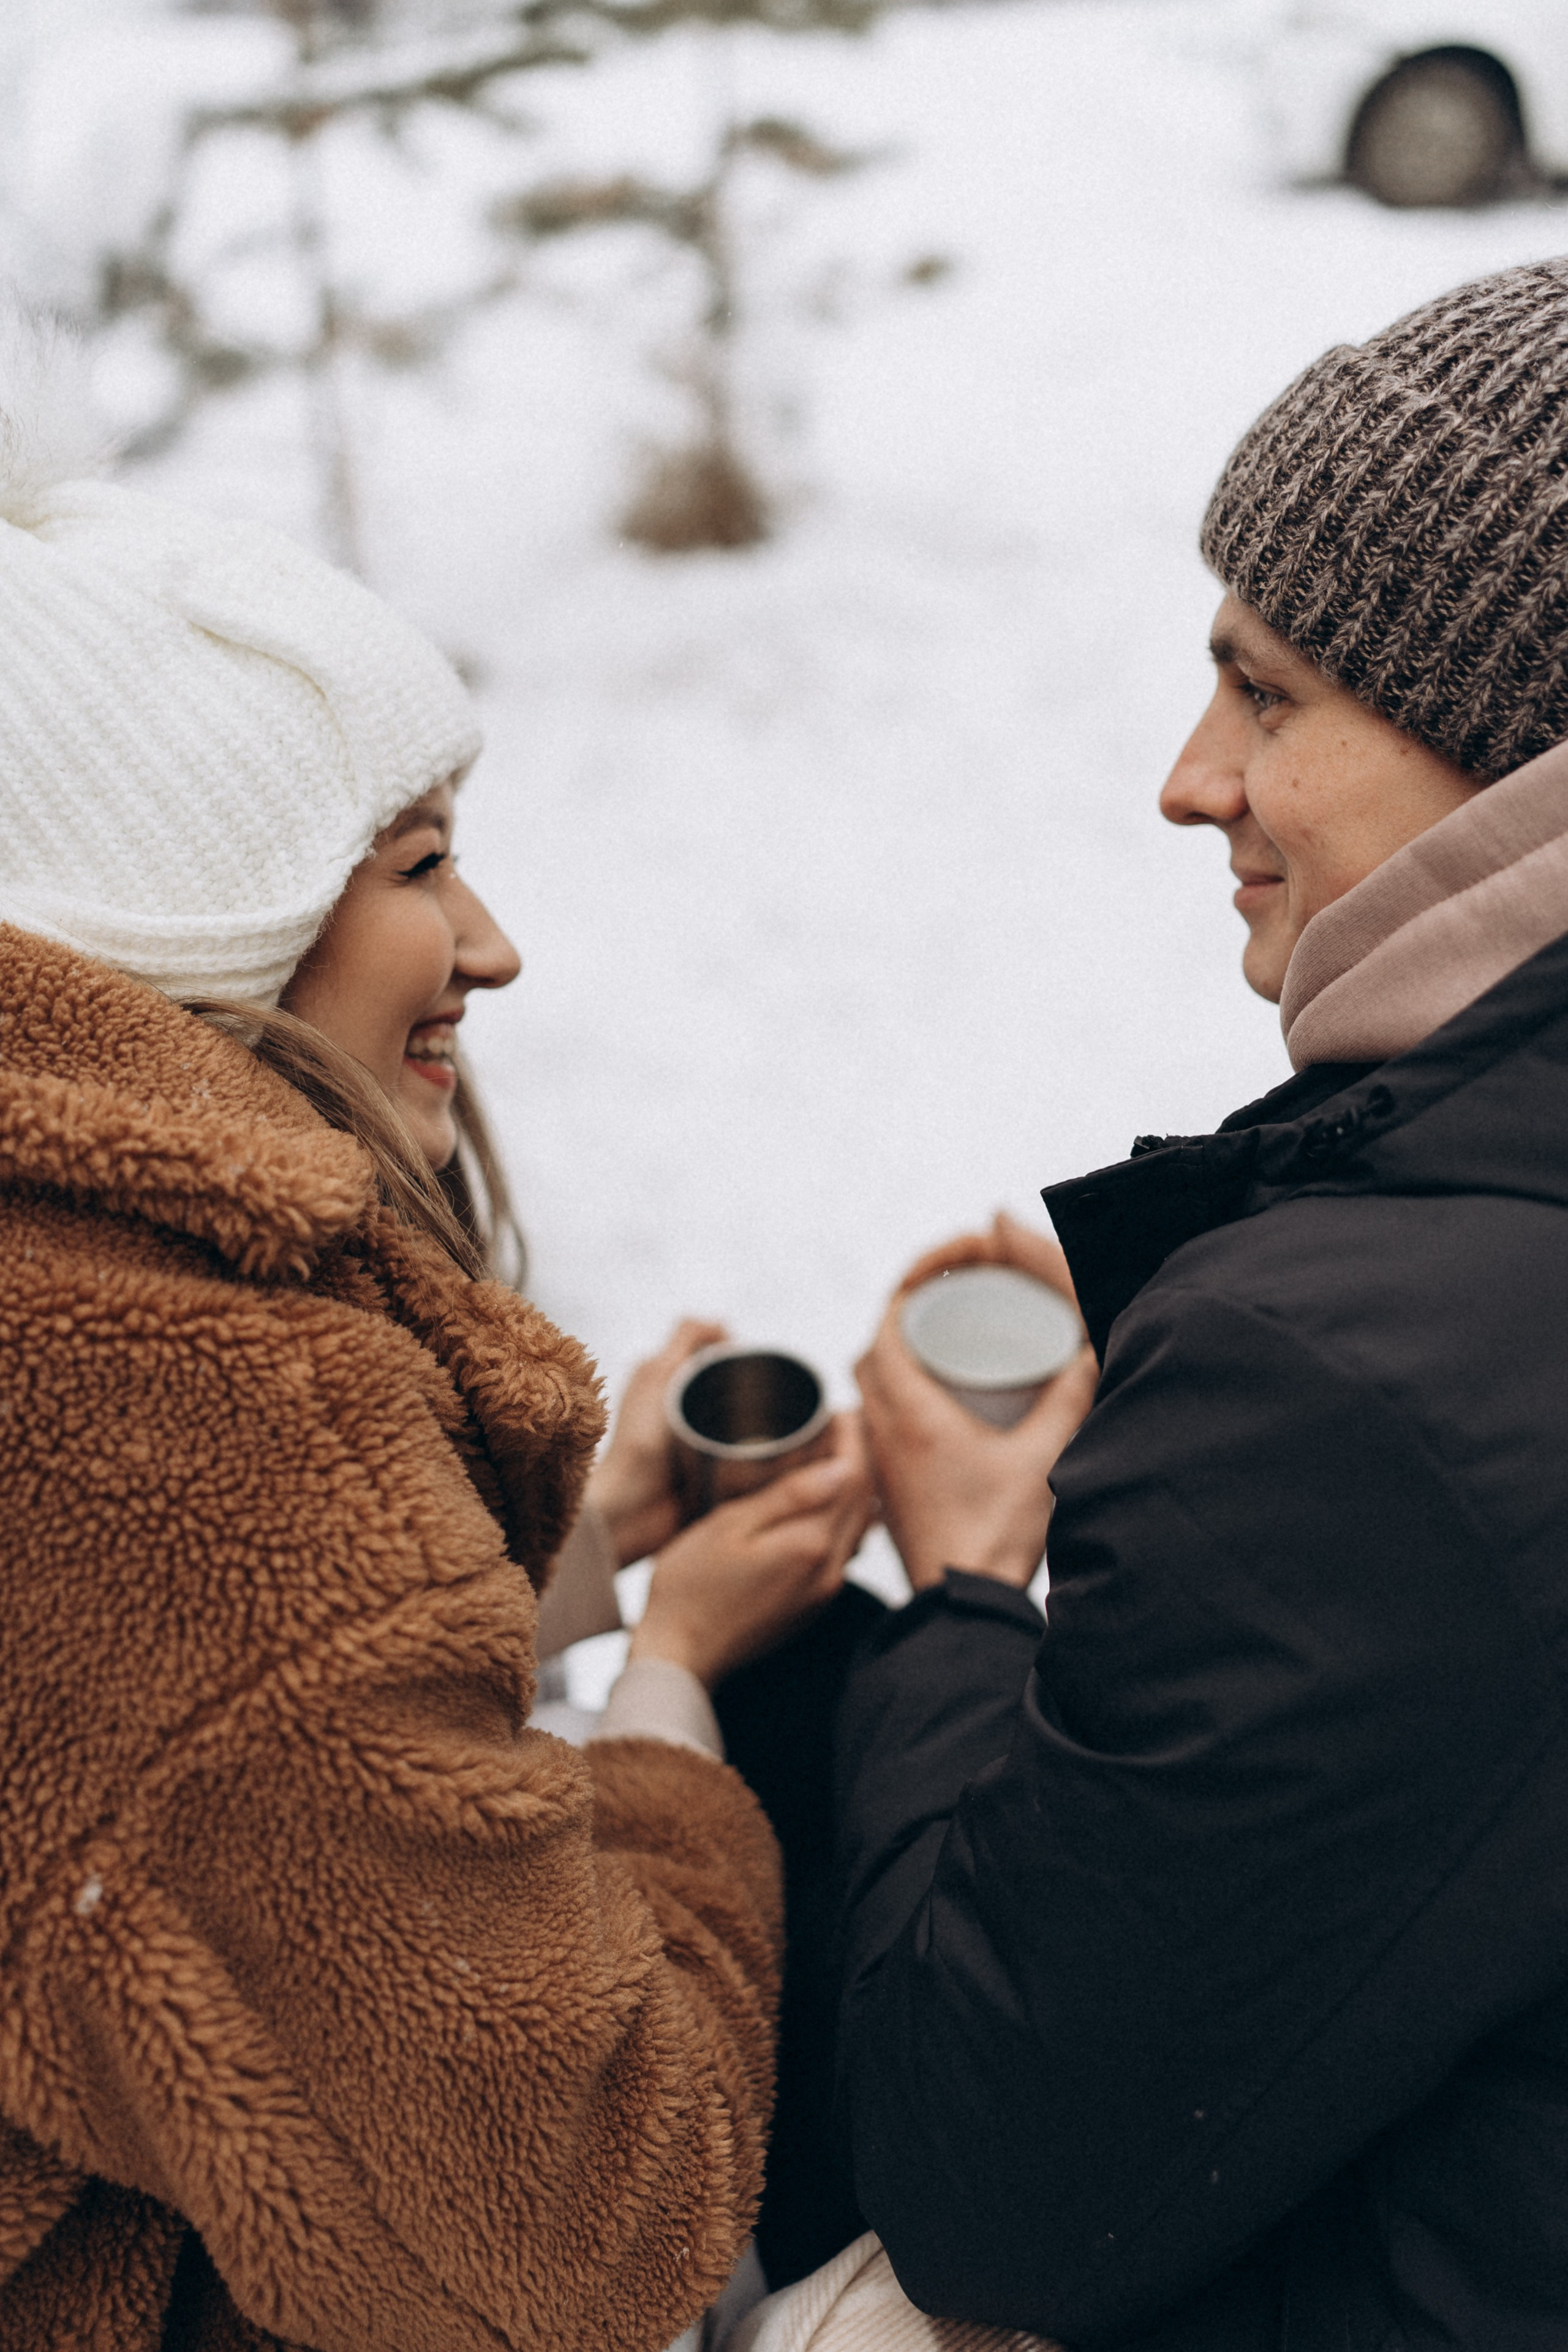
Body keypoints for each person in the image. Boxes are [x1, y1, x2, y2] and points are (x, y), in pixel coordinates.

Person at [0, 322, 872, 2351]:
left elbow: (154, 1761)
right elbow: (577, 2223)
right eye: (416, 865)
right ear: (196, 934)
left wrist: (554, 1566)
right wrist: (670, 1690)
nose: (489, 945)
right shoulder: (197, 1412)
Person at [750, 257, 1568, 2352]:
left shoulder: (1349, 1377)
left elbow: (991, 2189)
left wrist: (958, 1590)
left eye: (1271, 692)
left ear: (1522, 754)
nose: (1193, 781)